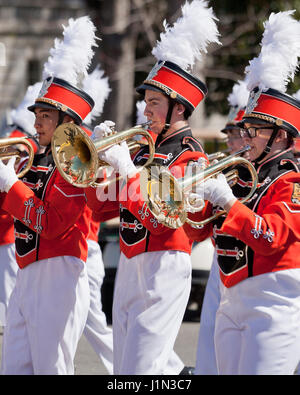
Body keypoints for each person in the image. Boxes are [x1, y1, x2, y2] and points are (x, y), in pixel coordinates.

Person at [85, 0, 220, 375]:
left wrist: (127, 171)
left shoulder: (192, 160)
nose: (145, 111)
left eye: (155, 103)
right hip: (130, 263)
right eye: (146, 101)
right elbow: (100, 209)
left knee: (143, 372)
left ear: (179, 109)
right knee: (125, 371)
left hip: (163, 264)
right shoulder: (143, 150)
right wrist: (96, 166)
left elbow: (163, 219)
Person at [184, 10, 300, 374]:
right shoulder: (241, 176)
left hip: (273, 302)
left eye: (255, 131)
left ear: (280, 136)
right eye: (246, 129)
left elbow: (270, 237)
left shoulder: (291, 182)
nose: (245, 138)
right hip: (230, 296)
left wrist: (228, 202)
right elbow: (195, 232)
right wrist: (196, 197)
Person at [0, 16, 98, 375]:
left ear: (65, 122)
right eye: (37, 115)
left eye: (45, 116)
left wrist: (10, 185)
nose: (37, 123)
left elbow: (52, 223)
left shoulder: (75, 163)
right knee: (14, 368)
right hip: (26, 271)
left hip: (59, 272)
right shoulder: (34, 157)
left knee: (51, 369)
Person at [194, 79, 250, 375]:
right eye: (228, 134)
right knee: (212, 339)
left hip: (256, 263)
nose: (229, 141)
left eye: (235, 134)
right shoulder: (227, 170)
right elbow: (200, 228)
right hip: (221, 259)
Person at [80, 67, 114, 374]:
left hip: (86, 247)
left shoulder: (94, 156)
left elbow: (99, 202)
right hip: (71, 248)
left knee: (95, 321)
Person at [0, 82, 42, 329]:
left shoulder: (16, 139)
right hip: (9, 228)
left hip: (9, 229)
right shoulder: (19, 140)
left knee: (10, 289)